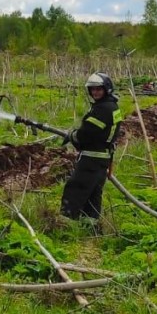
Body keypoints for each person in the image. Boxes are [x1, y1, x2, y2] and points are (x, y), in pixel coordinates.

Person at [60, 72, 123, 227]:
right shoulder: (112, 106)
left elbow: (87, 133)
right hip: (102, 159)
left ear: (106, 89)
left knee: (75, 188)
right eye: (92, 90)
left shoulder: (103, 109)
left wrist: (74, 135)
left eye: (98, 89)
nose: (95, 92)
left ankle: (65, 224)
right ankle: (90, 225)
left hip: (91, 159)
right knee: (93, 194)